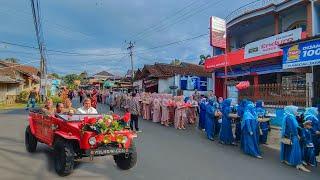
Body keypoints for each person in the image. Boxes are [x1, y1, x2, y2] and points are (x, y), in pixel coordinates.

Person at [280, 105, 310, 172]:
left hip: (290, 135)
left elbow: (295, 126)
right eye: (296, 110)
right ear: (292, 110)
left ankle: (286, 159)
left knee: (289, 148)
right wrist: (297, 135)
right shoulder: (290, 117)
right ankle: (298, 164)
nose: (297, 111)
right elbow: (293, 128)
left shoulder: (290, 116)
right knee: (297, 150)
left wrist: (302, 125)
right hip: (293, 136)